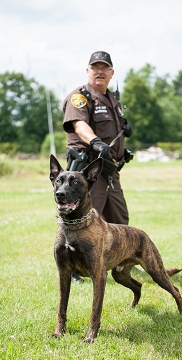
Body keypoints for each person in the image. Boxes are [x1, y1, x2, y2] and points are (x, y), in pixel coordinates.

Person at [62, 51, 133, 282]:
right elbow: (79, 125)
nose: (99, 71)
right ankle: (75, 268)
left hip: (110, 170)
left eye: (104, 68)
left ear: (111, 73)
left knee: (120, 220)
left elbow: (113, 132)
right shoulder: (80, 96)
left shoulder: (112, 99)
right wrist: (95, 141)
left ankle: (122, 262)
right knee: (86, 219)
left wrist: (123, 150)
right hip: (88, 170)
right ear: (88, 71)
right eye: (95, 67)